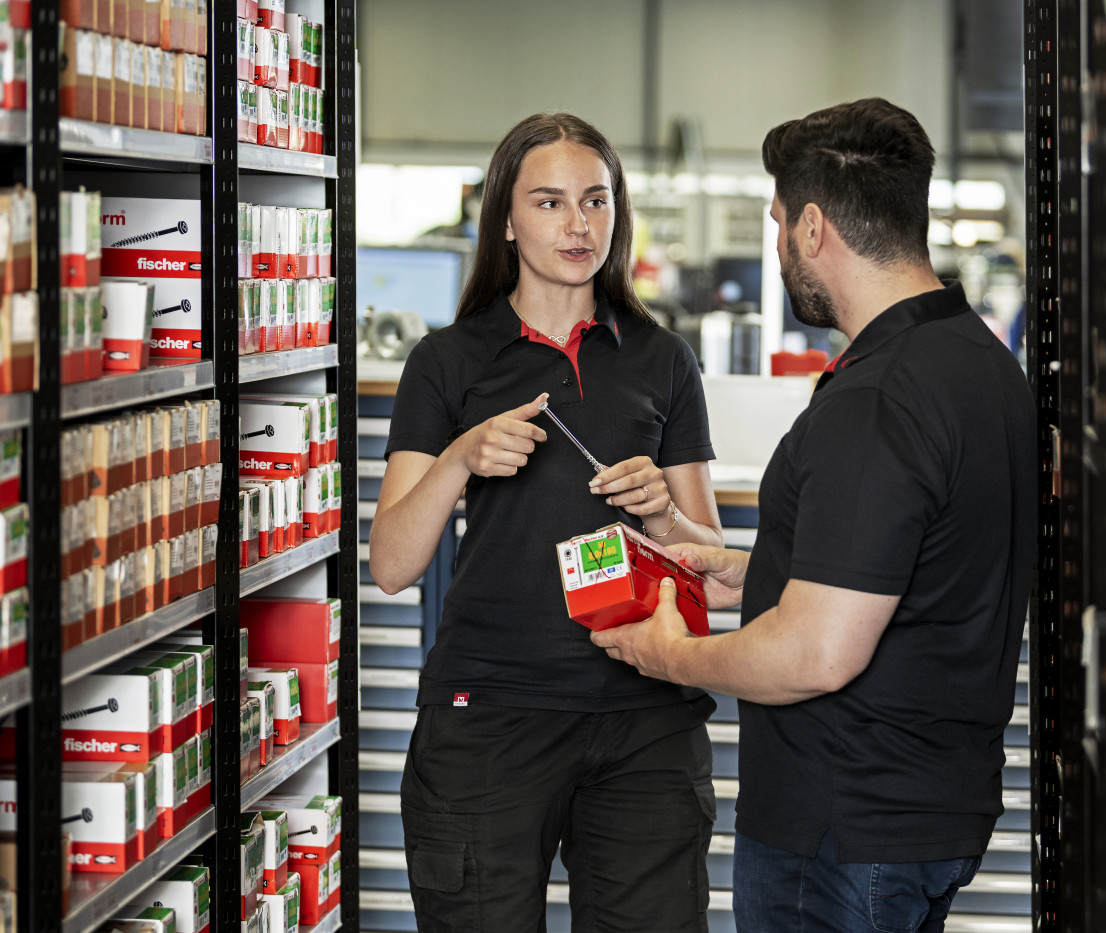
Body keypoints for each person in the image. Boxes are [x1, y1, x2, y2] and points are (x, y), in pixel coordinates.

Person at [592, 98, 1037, 933]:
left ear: (811, 228)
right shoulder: (979, 362)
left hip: (840, 836)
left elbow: (818, 652)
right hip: (929, 816)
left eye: (776, 223)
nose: (777, 246)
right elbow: (922, 564)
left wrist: (671, 653)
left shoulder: (877, 398)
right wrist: (753, 570)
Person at [370, 112, 724, 933]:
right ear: (505, 218)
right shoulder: (447, 361)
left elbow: (713, 566)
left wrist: (664, 513)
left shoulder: (662, 358)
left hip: (645, 717)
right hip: (490, 714)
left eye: (596, 200)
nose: (578, 224)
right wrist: (460, 457)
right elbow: (391, 563)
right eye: (550, 202)